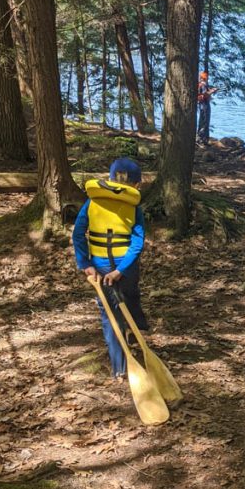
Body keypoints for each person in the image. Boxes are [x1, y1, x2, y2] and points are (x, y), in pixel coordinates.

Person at [72, 157, 149, 379]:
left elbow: (78, 234)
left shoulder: (93, 202)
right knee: (129, 295)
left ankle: (119, 368)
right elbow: (137, 243)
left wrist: (85, 263)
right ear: (136, 184)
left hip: (100, 265)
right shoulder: (134, 207)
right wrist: (120, 270)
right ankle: (136, 331)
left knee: (110, 314)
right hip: (126, 265)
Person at [197, 70, 218, 143]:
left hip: (201, 105)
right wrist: (212, 91)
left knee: (201, 121)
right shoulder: (203, 85)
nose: (206, 79)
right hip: (205, 105)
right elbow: (205, 94)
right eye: (206, 78)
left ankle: (200, 138)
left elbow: (204, 94)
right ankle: (203, 139)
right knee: (205, 122)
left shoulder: (200, 85)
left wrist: (212, 90)